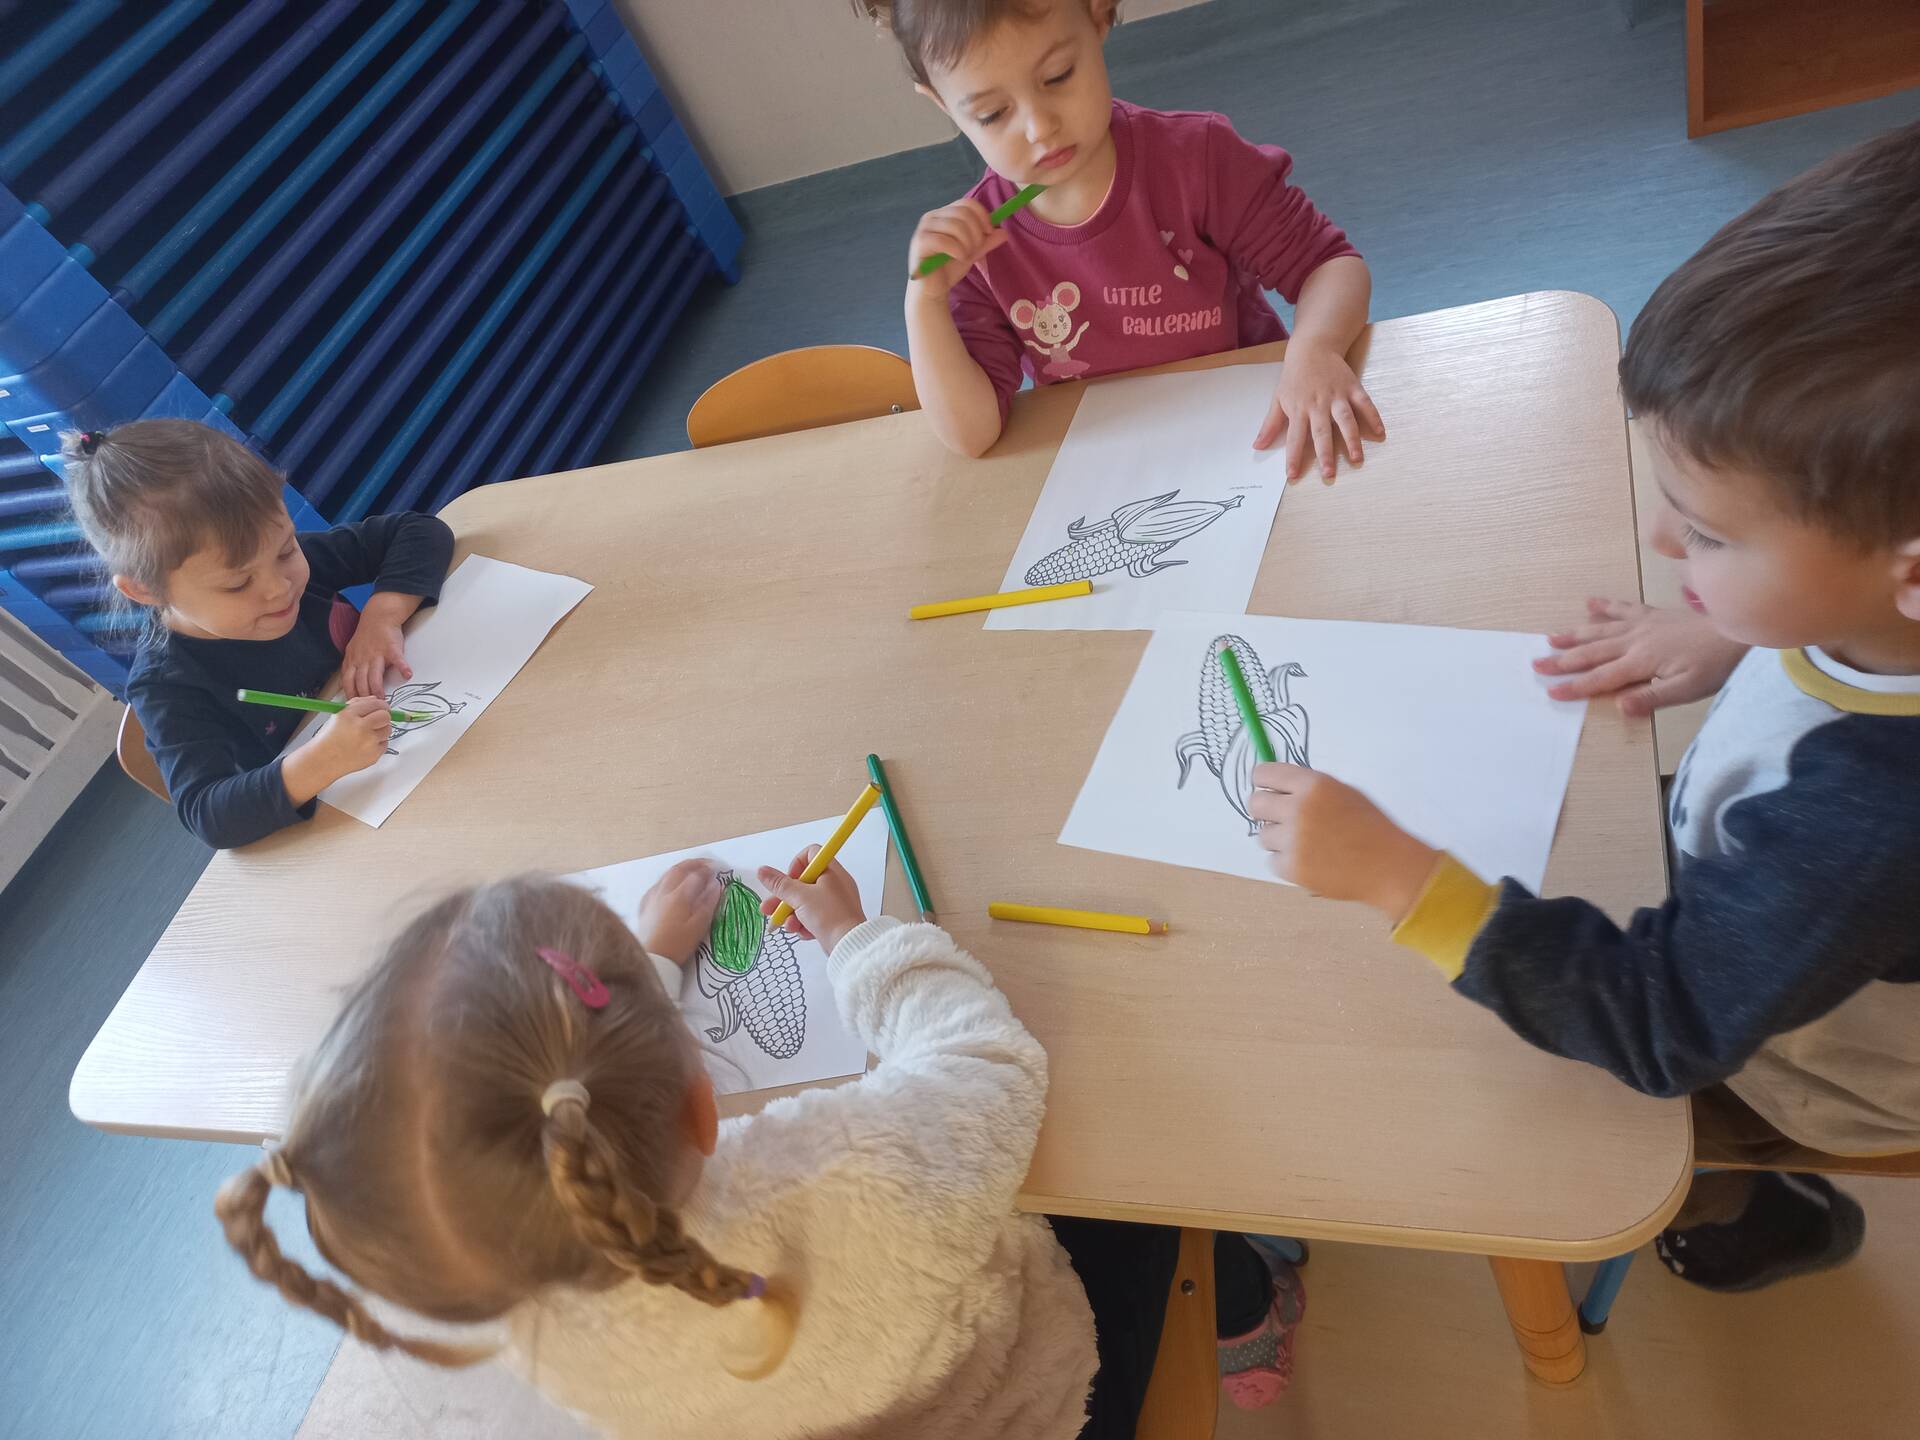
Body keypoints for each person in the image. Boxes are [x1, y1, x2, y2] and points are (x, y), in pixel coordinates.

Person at [1250, 120, 1920, 1292]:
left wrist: (1400, 878)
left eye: (1707, 535)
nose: (1660, 540)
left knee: (1621, 1139)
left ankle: (1769, 1213)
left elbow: (1667, 1023)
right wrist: (1735, 624)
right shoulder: (1876, 612)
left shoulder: (1864, 825)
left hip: (1802, 1059)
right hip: (1764, 903)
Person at [215, 851, 1303, 1437]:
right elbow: (989, 1065)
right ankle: (1248, 1320)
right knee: (1142, 1189)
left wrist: (645, 970)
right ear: (705, 1109)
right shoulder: (851, 1169)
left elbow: (554, 1104)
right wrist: (857, 940)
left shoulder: (522, 1307)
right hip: (1029, 1402)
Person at [870, 0, 1382, 468]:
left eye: (1058, 75)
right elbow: (973, 435)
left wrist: (1316, 348)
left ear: (1098, 14)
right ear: (942, 103)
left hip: (1255, 435)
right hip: (1111, 468)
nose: (1039, 127)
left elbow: (1330, 265)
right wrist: (924, 302)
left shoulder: (1197, 158)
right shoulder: (976, 245)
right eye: (992, 114)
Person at [64, 419, 454, 848]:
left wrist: (381, 618)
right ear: (145, 590)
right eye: (238, 584)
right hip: (357, 821)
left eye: (286, 550)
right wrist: (321, 761)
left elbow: (419, 531)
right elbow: (208, 815)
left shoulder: (273, 565)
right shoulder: (167, 687)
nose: (279, 587)